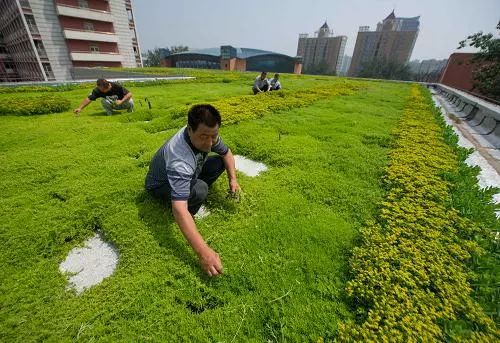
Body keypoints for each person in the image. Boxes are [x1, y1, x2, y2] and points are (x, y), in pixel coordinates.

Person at [145, 104, 241, 277]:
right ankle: (192, 208)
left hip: (188, 171)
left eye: (214, 136)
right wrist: (204, 253)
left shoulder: (206, 133)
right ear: (190, 129)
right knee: (200, 189)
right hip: (160, 186)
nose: (210, 142)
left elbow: (227, 153)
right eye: (204, 136)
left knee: (219, 162)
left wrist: (233, 179)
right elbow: (179, 209)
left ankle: (190, 191)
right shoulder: (179, 159)